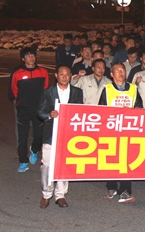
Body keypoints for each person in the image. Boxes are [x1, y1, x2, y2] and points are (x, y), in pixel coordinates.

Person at [36, 65, 83, 208]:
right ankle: (46, 194)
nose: (64, 77)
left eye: (67, 74)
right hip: (51, 133)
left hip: (68, 134)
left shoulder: (77, 92)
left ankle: (60, 195)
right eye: (61, 74)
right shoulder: (48, 92)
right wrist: (49, 115)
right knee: (47, 165)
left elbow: (80, 111)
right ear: (56, 75)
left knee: (64, 165)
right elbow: (40, 112)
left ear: (70, 76)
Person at [98, 63, 144, 203]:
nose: (120, 72)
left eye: (123, 70)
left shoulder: (134, 89)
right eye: (117, 70)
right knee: (111, 159)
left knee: (126, 160)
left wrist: (134, 109)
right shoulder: (107, 89)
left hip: (128, 130)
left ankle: (125, 190)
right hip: (112, 130)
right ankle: (111, 186)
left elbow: (140, 107)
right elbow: (101, 110)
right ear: (111, 74)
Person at [9, 47, 49, 173]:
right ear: (23, 59)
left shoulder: (43, 72)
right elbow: (14, 91)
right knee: (22, 136)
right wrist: (20, 103)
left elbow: (45, 88)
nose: (31, 58)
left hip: (38, 109)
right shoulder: (18, 73)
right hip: (23, 109)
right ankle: (23, 161)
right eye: (28, 56)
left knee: (39, 135)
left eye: (33, 55)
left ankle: (35, 150)